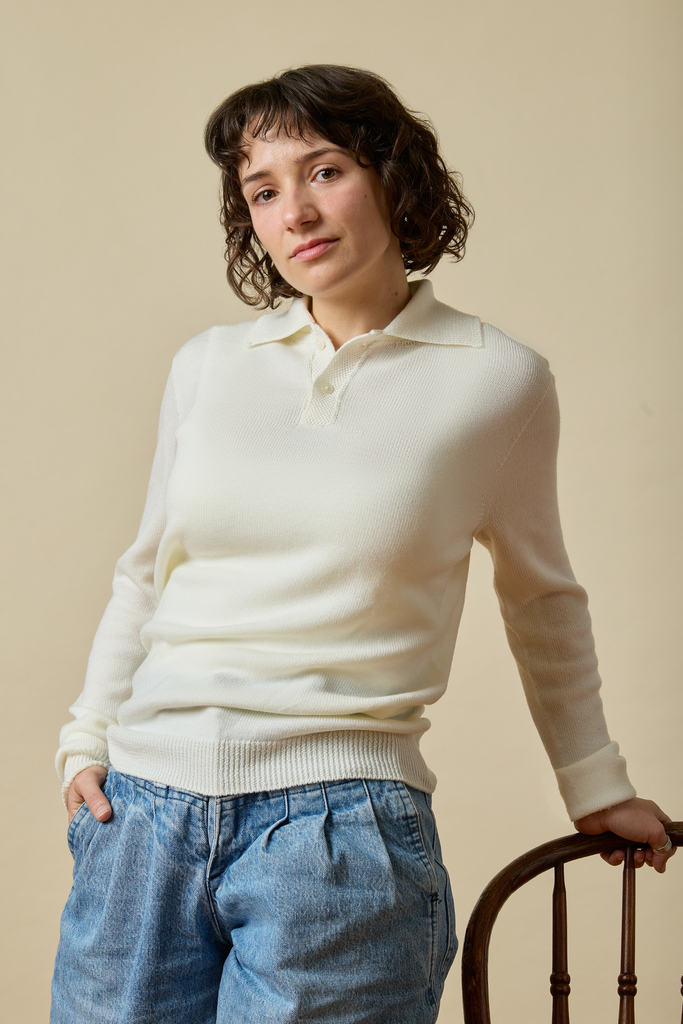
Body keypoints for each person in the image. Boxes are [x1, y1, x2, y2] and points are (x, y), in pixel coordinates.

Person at [51, 64, 674, 1024]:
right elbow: (149, 571)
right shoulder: (208, 365)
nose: (294, 210)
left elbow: (542, 596)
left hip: (337, 835)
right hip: (141, 820)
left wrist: (594, 782)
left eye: (324, 170)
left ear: (391, 175)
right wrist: (85, 737)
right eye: (263, 191)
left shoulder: (495, 380)